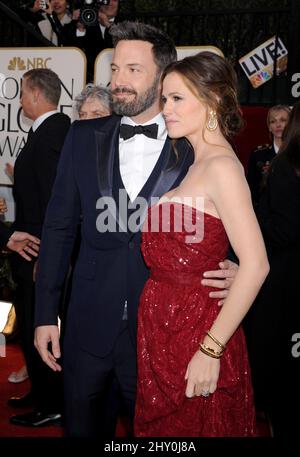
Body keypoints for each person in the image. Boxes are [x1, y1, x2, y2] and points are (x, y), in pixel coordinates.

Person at [34, 21, 239, 437]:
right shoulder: (81, 136)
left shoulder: (197, 146)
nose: (118, 82)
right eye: (114, 70)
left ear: (162, 77)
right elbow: (57, 230)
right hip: (87, 326)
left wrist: (236, 263)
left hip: (164, 334)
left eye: (132, 70)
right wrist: (44, 315)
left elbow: (240, 219)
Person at [134, 52, 269, 437]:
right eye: (164, 99)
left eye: (177, 98)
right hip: (164, 331)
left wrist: (211, 350)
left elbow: (257, 264)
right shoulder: (195, 164)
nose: (166, 109)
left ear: (213, 100)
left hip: (197, 332)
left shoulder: (221, 167)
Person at [8, 68, 70, 427]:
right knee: (30, 323)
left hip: (38, 252)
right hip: (29, 249)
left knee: (40, 323)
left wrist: (47, 257)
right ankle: (41, 391)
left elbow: (54, 203)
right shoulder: (47, 132)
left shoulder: (52, 133)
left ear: (35, 95)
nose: (19, 101)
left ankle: (52, 403)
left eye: (22, 94)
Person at [245, 101, 300, 436]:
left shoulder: (283, 167)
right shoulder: (269, 161)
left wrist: (257, 221)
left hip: (285, 285)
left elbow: (283, 230)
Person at [247, 105, 290, 207]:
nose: (278, 125)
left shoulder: (296, 153)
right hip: (265, 213)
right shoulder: (258, 154)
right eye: (273, 121)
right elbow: (250, 188)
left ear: (291, 124)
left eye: (283, 120)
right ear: (269, 127)